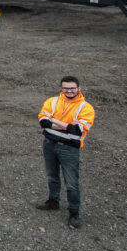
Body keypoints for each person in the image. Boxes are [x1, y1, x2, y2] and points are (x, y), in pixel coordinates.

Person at [36, 76, 96, 229]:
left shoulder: (85, 108)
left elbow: (77, 129)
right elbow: (43, 122)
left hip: (69, 149)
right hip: (49, 143)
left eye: (72, 88)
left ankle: (74, 212)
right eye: (65, 88)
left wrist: (54, 121)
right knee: (52, 175)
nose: (69, 91)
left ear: (79, 88)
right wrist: (67, 125)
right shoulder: (52, 101)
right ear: (61, 88)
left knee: (72, 183)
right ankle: (53, 201)